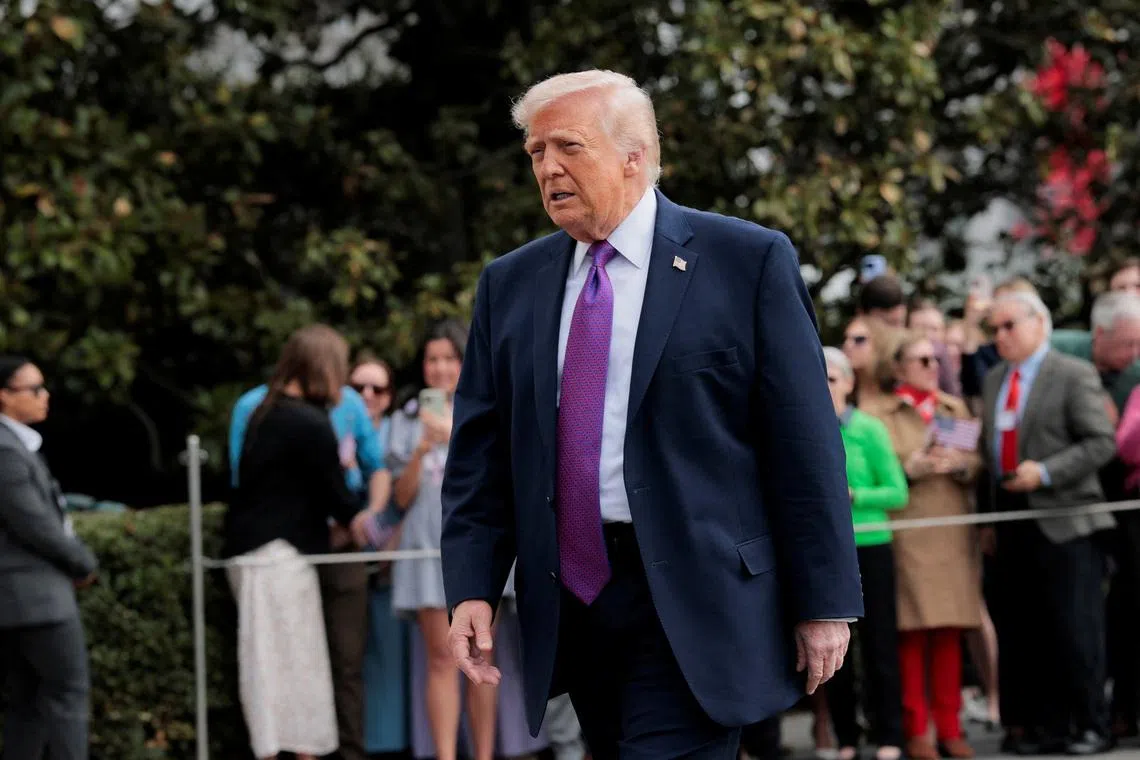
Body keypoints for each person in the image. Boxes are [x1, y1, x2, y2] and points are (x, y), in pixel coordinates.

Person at [440, 69, 863, 759]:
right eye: (537, 152)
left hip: (703, 598)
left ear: (633, 156)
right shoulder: (510, 284)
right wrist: (470, 588)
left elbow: (805, 444)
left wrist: (825, 602)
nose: (548, 168)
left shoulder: (746, 261)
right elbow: (479, 458)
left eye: (568, 146)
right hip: (576, 601)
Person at [230, 350, 390, 760]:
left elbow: (374, 467)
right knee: (284, 664)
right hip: (282, 552)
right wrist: (358, 520)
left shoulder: (281, 411)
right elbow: (328, 490)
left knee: (325, 661)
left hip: (315, 550)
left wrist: (363, 518)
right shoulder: (278, 413)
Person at [979, 292, 1116, 755]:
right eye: (994, 329)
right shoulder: (995, 379)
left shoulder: (1073, 373)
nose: (1000, 337)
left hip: (1067, 520)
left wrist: (1048, 471)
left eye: (1009, 326)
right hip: (1013, 521)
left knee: (1076, 629)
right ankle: (1043, 727)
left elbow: (1101, 442)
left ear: (1039, 322)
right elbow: (991, 451)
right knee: (1026, 630)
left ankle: (1092, 724)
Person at [863, 333, 981, 760]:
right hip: (909, 533)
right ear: (898, 367)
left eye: (935, 359)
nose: (932, 367)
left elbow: (977, 462)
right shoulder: (879, 414)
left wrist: (961, 464)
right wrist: (910, 468)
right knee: (910, 634)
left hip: (951, 532)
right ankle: (917, 730)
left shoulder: (952, 407)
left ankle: (950, 728)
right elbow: (875, 469)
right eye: (921, 360)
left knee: (949, 631)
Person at [390, 320, 498, 760]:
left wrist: (454, 434)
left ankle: (485, 755)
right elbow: (400, 497)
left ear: (464, 361)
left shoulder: (484, 407)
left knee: (481, 655)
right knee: (441, 657)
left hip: (477, 544)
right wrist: (421, 447)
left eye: (449, 358)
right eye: (432, 359)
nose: (440, 368)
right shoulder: (405, 419)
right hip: (425, 547)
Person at [0, 356, 99, 760]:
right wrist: (83, 562)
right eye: (34, 389)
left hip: (23, 600)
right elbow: (34, 523)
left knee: (28, 704)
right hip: (37, 600)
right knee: (67, 697)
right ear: (4, 396)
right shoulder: (5, 450)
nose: (45, 396)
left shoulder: (16, 445)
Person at [822, 348, 907, 760]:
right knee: (832, 649)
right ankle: (847, 739)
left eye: (831, 379)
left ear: (849, 383)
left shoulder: (869, 429)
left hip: (871, 547)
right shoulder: (805, 429)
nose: (824, 387)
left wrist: (856, 495)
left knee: (880, 645)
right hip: (828, 551)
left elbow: (898, 491)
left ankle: (890, 736)